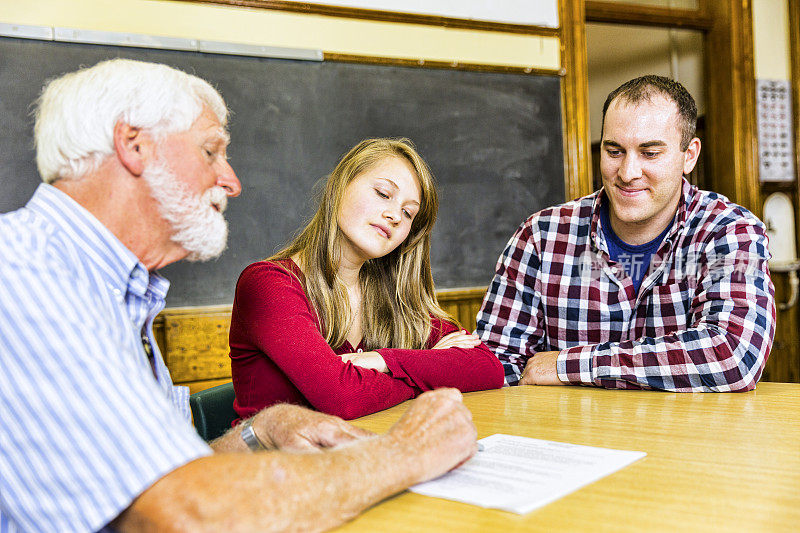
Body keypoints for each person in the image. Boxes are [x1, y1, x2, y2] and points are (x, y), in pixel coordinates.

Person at [0, 58, 479, 533]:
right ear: (134, 145)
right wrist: (403, 454)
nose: (231, 181)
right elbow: (181, 513)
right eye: (211, 152)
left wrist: (262, 429)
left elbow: (172, 468)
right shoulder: (27, 274)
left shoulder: (115, 289)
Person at [476, 75, 775, 392]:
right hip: (568, 438)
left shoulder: (729, 231)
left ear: (689, 155)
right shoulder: (542, 236)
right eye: (614, 151)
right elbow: (494, 365)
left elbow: (732, 356)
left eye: (650, 153)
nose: (628, 173)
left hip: (687, 439)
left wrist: (568, 365)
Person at [230, 138, 504, 421]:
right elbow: (342, 399)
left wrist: (383, 360)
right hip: (273, 462)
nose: (395, 215)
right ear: (340, 187)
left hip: (360, 455)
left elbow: (488, 367)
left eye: (408, 213)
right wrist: (425, 374)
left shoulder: (389, 294)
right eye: (383, 193)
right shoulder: (269, 284)